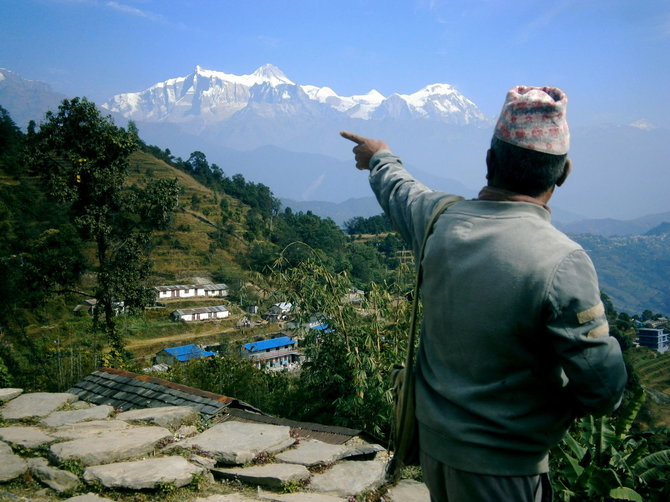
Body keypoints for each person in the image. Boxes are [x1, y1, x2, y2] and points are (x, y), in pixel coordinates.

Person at [341, 85, 627, 502]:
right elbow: (604, 388)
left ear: (490, 161)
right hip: (505, 469)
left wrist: (379, 156)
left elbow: (401, 191)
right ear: (563, 173)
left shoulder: (441, 221)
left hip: (434, 449)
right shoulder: (562, 261)